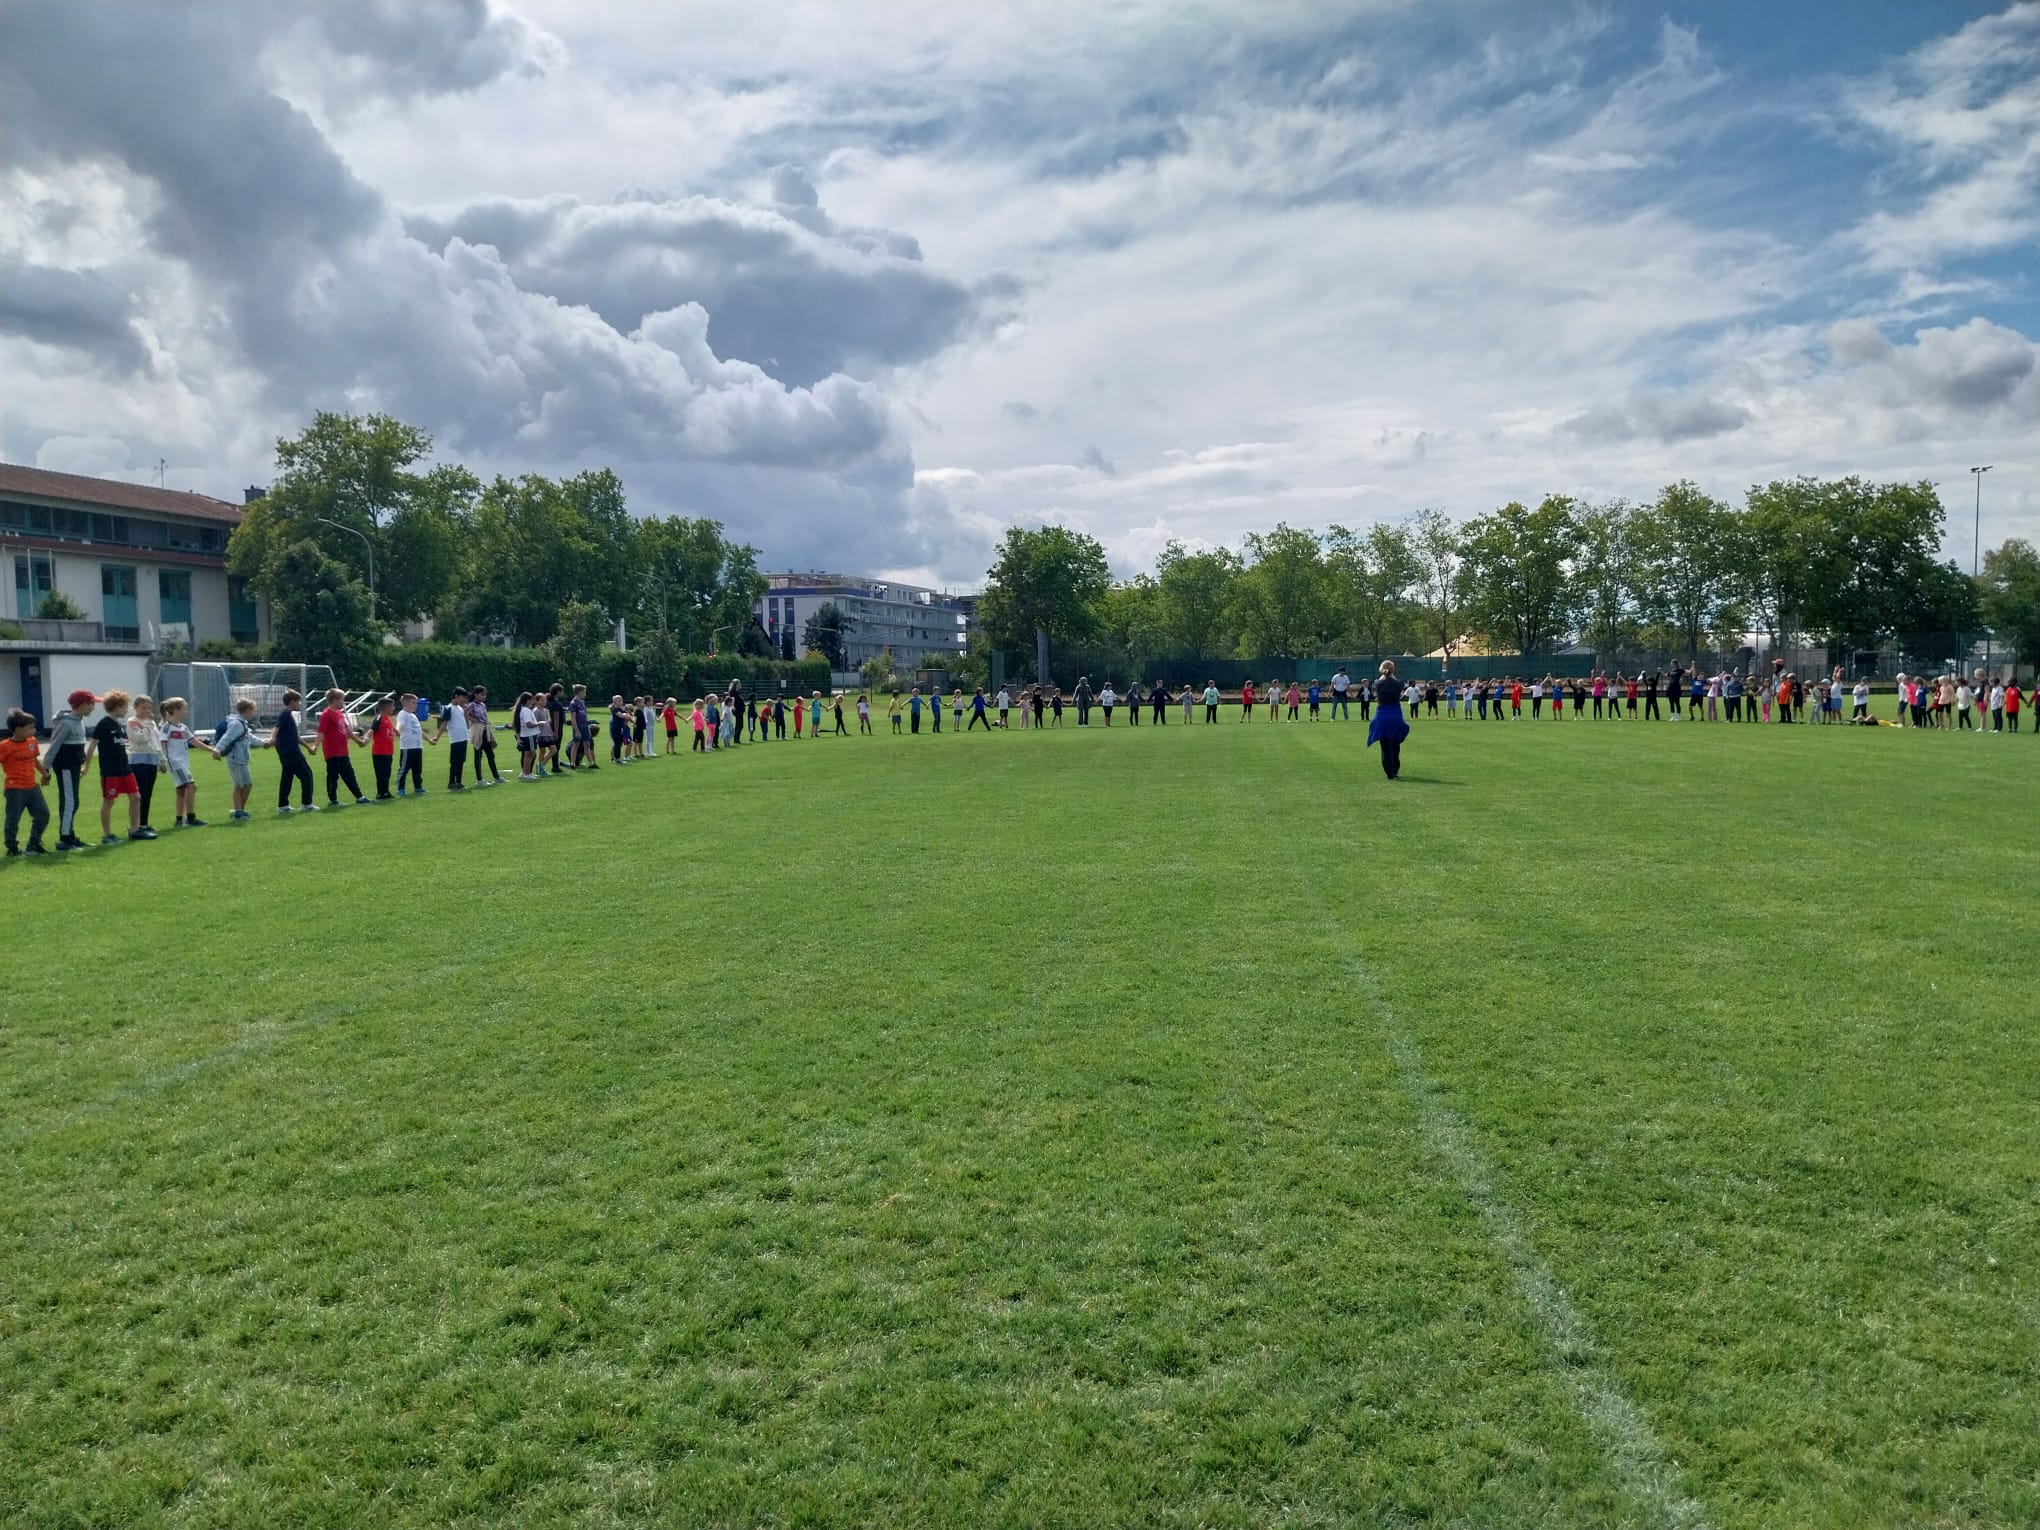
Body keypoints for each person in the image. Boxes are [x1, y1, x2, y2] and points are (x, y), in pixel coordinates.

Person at [84, 689, 148, 843]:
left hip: (125, 769)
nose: (127, 710)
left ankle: (134, 830)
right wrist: (86, 767)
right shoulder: (103, 724)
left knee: (136, 797)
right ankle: (107, 835)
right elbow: (92, 746)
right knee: (109, 801)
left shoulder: (118, 724)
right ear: (117, 706)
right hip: (110, 771)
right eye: (125, 706)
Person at [43, 689, 93, 850]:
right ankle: (65, 839)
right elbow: (54, 746)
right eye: (91, 704)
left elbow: (77, 746)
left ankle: (70, 835)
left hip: (73, 767)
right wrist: (45, 769)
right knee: (69, 802)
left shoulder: (78, 720)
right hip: (65, 767)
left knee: (73, 802)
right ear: (83, 704)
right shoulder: (65, 723)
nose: (93, 708)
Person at [2, 707, 52, 856]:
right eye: (30, 728)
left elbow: (34, 759)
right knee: (13, 819)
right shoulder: (5, 746)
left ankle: (33, 844)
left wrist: (44, 774)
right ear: (18, 730)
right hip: (14, 788)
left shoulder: (32, 742)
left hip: (32, 786)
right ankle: (12, 848)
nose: (34, 730)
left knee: (43, 814)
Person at [210, 697, 264, 820]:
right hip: (235, 758)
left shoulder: (242, 723)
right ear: (246, 710)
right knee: (238, 785)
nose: (253, 713)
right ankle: (238, 812)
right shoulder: (236, 724)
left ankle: (239, 810)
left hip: (242, 759)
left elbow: (250, 738)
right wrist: (217, 750)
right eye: (252, 710)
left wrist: (264, 743)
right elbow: (226, 738)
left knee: (247, 784)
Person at [316, 689, 369, 806]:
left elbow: (347, 730)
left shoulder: (339, 713)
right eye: (341, 700)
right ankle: (333, 800)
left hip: (343, 751)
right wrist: (315, 746)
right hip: (332, 752)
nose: (343, 702)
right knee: (333, 776)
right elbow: (321, 733)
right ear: (334, 700)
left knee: (349, 774)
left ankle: (359, 797)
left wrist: (358, 741)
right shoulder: (326, 715)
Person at [159, 697, 203, 828]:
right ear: (175, 710)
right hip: (174, 762)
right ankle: (190, 818)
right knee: (191, 786)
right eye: (184, 709)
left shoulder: (183, 727)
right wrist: (163, 762)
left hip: (183, 762)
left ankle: (179, 820)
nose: (187, 712)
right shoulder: (167, 728)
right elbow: (162, 745)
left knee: (181, 790)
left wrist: (212, 750)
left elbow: (194, 741)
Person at [272, 689, 316, 812]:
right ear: (292, 701)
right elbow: (276, 728)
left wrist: (308, 747)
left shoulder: (288, 715)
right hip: (291, 752)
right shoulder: (285, 714)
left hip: (285, 753)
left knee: (287, 777)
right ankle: (307, 804)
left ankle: (283, 805)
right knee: (306, 775)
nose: (300, 704)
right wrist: (271, 738)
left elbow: (296, 736)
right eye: (298, 701)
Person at [1367, 661, 1410, 781]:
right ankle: (1395, 768)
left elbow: (1376, 690)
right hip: (1396, 714)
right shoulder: (1398, 683)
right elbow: (1398, 686)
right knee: (1395, 744)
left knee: (1385, 746)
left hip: (1382, 714)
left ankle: (1389, 771)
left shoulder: (1377, 683)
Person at [435, 686, 472, 789]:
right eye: (462, 697)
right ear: (456, 696)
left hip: (463, 738)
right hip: (456, 739)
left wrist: (465, 712)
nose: (464, 700)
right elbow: (444, 724)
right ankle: (451, 782)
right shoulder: (448, 708)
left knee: (461, 761)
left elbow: (466, 722)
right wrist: (437, 737)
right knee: (455, 762)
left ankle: (459, 782)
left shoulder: (460, 708)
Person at [467, 687, 503, 784]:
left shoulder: (483, 705)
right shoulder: (471, 705)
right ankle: (479, 779)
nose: (484, 696)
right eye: (482, 694)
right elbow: (465, 714)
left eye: (485, 694)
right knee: (478, 755)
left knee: (490, 755)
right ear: (476, 694)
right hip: (477, 731)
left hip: (485, 731)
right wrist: (472, 719)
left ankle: (496, 777)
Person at [396, 692, 429, 795]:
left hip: (417, 746)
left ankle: (418, 787)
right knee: (404, 768)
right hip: (408, 747)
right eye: (414, 703)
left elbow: (419, 730)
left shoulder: (414, 716)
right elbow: (399, 724)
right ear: (406, 703)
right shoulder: (402, 714)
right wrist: (397, 729)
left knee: (417, 768)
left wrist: (429, 740)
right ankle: (400, 788)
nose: (416, 705)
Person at [369, 696, 399, 799]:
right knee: (381, 774)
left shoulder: (387, 718)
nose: (393, 708)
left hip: (388, 751)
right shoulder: (379, 718)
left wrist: (396, 731)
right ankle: (380, 793)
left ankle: (386, 792)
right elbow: (372, 729)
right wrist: (364, 739)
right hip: (379, 752)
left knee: (387, 773)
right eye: (392, 706)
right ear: (386, 708)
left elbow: (389, 728)